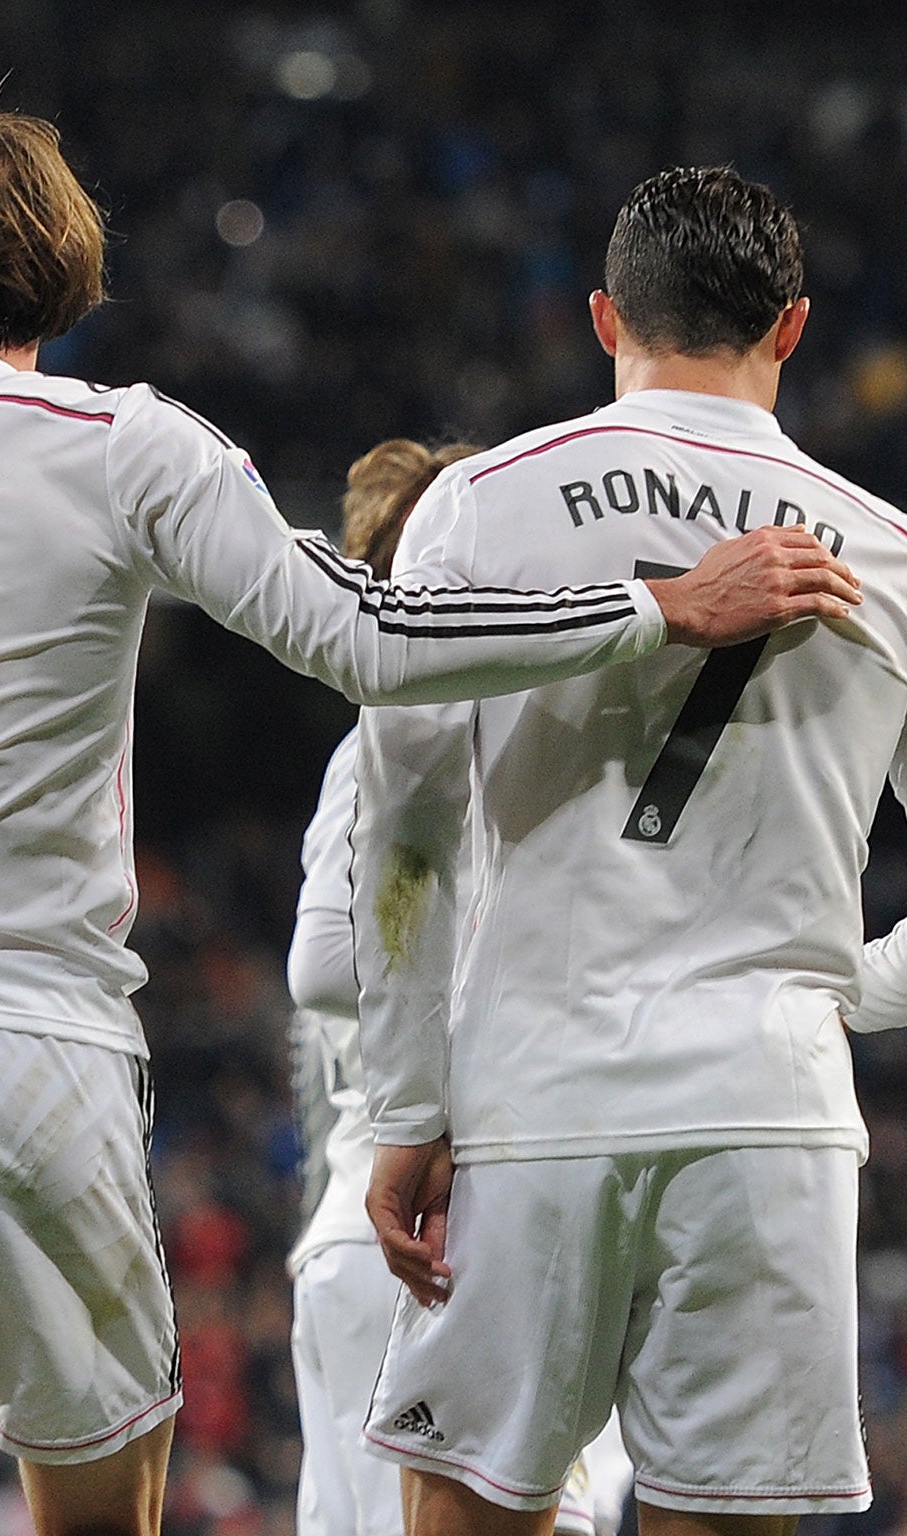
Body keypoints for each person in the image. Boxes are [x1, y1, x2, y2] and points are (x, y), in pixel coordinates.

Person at [0, 97, 858, 1536]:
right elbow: (370, 637)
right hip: (34, 1036)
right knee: (105, 1497)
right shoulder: (121, 447)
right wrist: (655, 605)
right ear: (59, 257)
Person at [351, 167, 907, 1536]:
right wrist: (823, 1000)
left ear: (605, 316)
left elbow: (410, 841)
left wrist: (407, 1110)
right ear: (792, 330)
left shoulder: (482, 505)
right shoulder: (902, 556)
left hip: (532, 1097)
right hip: (766, 1112)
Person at [287, 442, 626, 1536]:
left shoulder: (526, 741)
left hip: (416, 1235)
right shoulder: (396, 749)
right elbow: (326, 964)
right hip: (435, 1240)